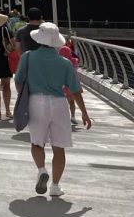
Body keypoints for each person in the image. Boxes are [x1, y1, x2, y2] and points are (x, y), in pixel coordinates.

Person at [15, 22, 92, 197]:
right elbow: (75, 90)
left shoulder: (27, 57)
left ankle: (42, 170)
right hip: (59, 103)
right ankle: (55, 187)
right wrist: (84, 113)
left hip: (35, 101)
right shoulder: (64, 63)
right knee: (59, 147)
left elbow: (18, 79)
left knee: (36, 142)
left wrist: (23, 96)